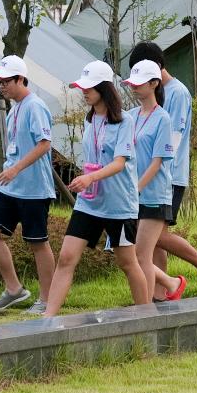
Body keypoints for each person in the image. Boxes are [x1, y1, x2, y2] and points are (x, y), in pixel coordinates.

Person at [43, 61, 149, 316]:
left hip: (118, 205)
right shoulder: (90, 120)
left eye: (89, 87)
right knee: (67, 257)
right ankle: (47, 319)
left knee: (127, 262)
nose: (84, 91)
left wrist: (90, 178)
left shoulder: (124, 122)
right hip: (89, 202)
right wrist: (86, 179)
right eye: (82, 87)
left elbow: (119, 163)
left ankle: (147, 318)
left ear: (104, 88)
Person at [127, 41, 197, 299]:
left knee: (154, 236)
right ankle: (161, 290)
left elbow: (173, 139)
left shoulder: (177, 93)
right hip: (148, 175)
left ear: (156, 70)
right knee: (154, 237)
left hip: (169, 175)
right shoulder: (151, 97)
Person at [0, 55, 57, 315]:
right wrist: (10, 171)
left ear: (20, 79)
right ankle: (14, 289)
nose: (1, 86)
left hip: (33, 188)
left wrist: (15, 169)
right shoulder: (14, 107)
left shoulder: (35, 106)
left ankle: (47, 299)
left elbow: (45, 144)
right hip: (9, 186)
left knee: (37, 242)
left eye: (5, 81)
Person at [123, 59, 188, 303]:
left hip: (154, 194)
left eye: (140, 83)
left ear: (154, 84)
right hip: (133, 195)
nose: (134, 88)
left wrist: (137, 188)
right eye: (132, 83)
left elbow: (158, 161)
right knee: (134, 256)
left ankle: (146, 307)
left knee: (141, 256)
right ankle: (158, 295)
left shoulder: (163, 118)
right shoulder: (130, 116)